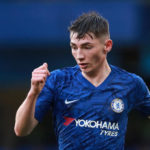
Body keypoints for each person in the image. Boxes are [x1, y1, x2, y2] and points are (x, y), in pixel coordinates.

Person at [14, 11, 150, 150]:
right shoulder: (58, 80)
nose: (79, 55)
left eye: (87, 47)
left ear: (107, 46)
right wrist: (33, 92)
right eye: (74, 47)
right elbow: (21, 130)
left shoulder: (131, 83)